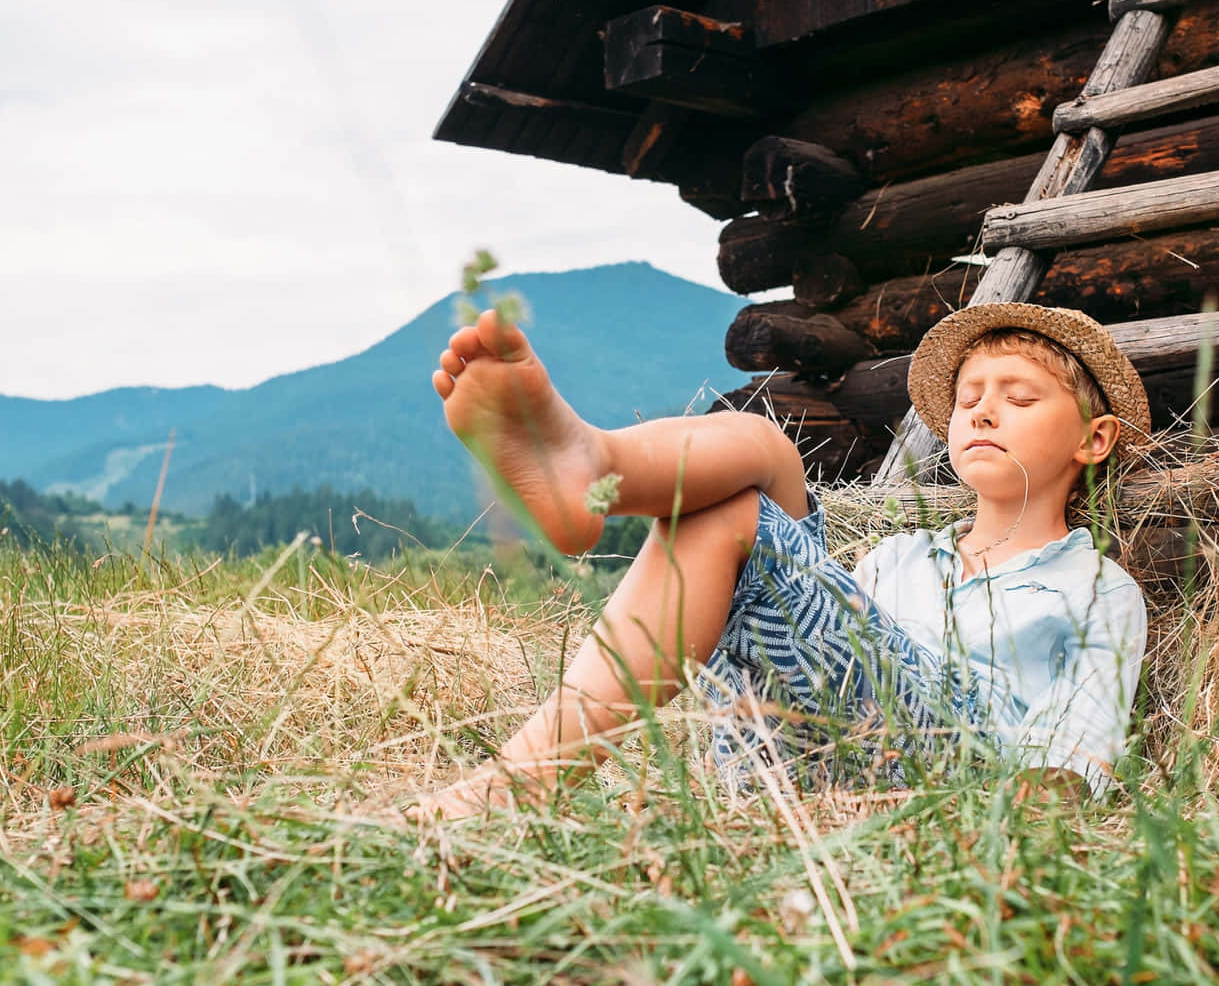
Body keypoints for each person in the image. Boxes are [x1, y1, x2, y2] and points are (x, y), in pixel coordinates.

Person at [407, 302, 1149, 820]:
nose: (983, 411)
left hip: (956, 777)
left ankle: (595, 466)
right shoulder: (897, 558)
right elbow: (819, 646)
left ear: (1095, 439)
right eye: (969, 398)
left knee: (754, 472)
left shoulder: (1095, 589)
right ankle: (590, 468)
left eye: (1019, 398)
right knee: (748, 474)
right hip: (798, 763)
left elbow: (1076, 756)